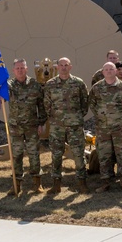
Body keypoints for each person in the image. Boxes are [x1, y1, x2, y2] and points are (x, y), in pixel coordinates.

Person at [89, 61, 122, 193]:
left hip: (120, 128)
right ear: (102, 72)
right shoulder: (96, 88)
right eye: (106, 69)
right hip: (103, 128)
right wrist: (102, 117)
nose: (109, 71)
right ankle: (105, 182)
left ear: (115, 71)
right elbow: (92, 105)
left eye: (111, 69)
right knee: (104, 155)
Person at [44, 57, 89, 193]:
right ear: (57, 67)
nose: (63, 67)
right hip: (57, 126)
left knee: (78, 154)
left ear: (70, 67)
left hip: (75, 125)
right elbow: (46, 104)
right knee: (56, 155)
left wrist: (77, 117)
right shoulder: (50, 84)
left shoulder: (78, 83)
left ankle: (82, 183)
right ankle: (56, 184)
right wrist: (55, 118)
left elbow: (84, 102)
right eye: (61, 65)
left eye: (66, 65)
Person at [6, 58, 47, 195]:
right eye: (17, 68)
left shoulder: (34, 85)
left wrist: (41, 123)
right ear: (13, 70)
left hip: (31, 126)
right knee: (16, 155)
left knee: (34, 154)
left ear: (26, 69)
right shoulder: (8, 85)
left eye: (22, 68)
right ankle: (16, 184)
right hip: (15, 127)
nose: (20, 70)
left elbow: (41, 105)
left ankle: (37, 183)